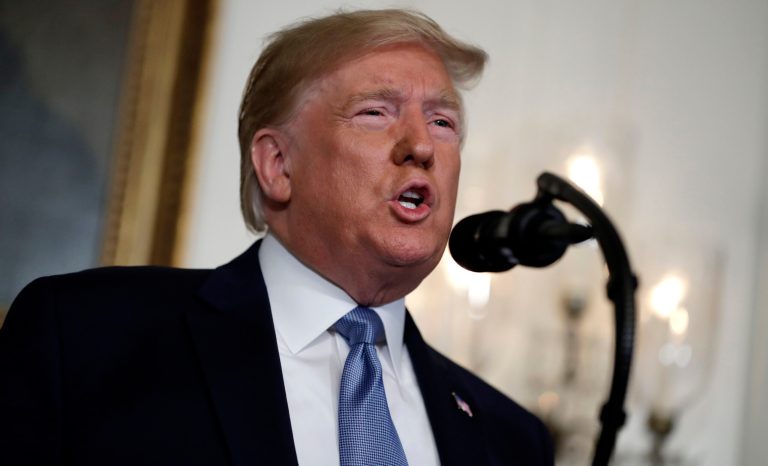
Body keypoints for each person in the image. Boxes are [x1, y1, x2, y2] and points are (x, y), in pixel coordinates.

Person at [0, 9, 554, 466]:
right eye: (375, 112)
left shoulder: (511, 440)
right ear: (277, 164)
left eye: (442, 122)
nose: (422, 146)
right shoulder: (83, 337)